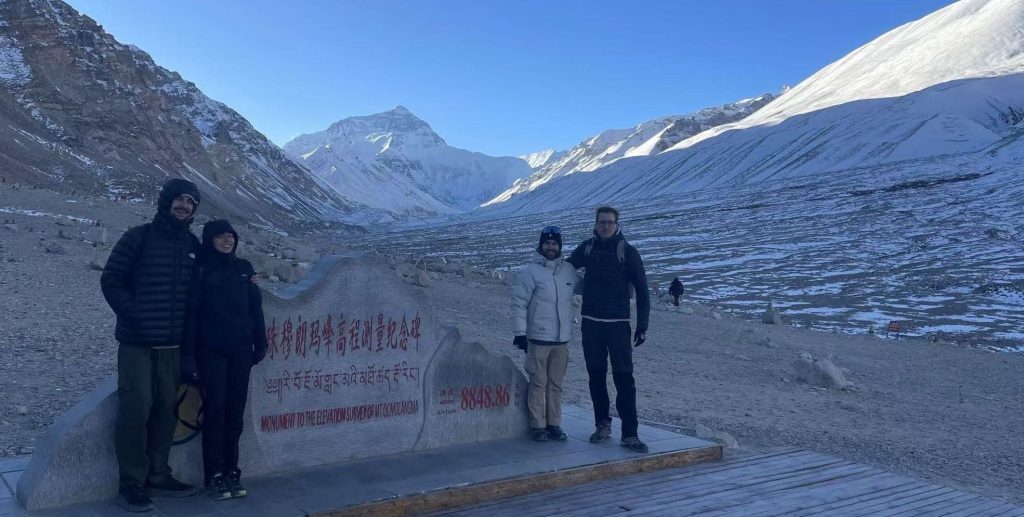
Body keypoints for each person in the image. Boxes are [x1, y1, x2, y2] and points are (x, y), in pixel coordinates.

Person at [100, 178, 202, 512]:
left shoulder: (192, 245)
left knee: (166, 414)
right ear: (166, 202)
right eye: (179, 200)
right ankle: (131, 482)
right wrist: (134, 317)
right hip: (138, 344)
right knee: (135, 411)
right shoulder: (138, 237)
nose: (184, 206)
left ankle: (158, 473)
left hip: (173, 346)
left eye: (190, 202)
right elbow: (111, 280)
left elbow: (205, 288)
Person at [189, 219, 268, 500]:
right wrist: (189, 357)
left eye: (231, 236)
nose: (227, 241)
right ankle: (214, 474)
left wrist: (261, 342)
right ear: (209, 240)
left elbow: (254, 309)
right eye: (220, 236)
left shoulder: (244, 269)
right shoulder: (200, 271)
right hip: (212, 353)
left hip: (240, 352)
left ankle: (232, 470)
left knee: (235, 413)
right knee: (215, 412)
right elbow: (192, 317)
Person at [566, 206, 651, 453]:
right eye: (601, 222)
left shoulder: (628, 252)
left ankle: (630, 433)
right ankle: (602, 425)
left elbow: (643, 291)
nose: (605, 226)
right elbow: (567, 269)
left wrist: (642, 326)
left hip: (618, 326)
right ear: (596, 224)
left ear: (617, 225)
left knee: (624, 378)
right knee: (596, 377)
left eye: (609, 222)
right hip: (591, 324)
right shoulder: (587, 248)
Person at [511, 226, 581, 442]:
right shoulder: (530, 272)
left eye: (554, 243)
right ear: (541, 245)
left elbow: (586, 288)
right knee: (538, 383)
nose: (551, 247)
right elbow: (519, 303)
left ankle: (554, 424)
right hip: (538, 338)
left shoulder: (568, 271)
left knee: (556, 384)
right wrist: (520, 332)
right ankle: (537, 425)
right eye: (547, 243)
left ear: (560, 246)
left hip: (561, 339)